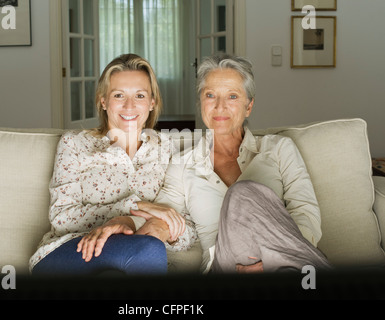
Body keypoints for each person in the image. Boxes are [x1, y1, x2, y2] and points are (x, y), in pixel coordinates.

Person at [133, 53, 332, 274]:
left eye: (232, 96)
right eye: (210, 95)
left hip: (284, 259)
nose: (219, 106)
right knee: (242, 193)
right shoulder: (182, 164)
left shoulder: (279, 149)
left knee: (244, 193)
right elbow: (164, 213)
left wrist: (273, 260)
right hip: (224, 265)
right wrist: (146, 225)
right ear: (201, 103)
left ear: (249, 106)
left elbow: (305, 212)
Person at [29, 53, 193, 275]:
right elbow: (61, 217)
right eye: (118, 95)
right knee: (147, 251)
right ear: (103, 101)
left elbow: (188, 227)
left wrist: (152, 225)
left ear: (152, 102)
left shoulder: (166, 149)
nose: (129, 106)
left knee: (141, 255)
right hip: (70, 251)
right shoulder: (74, 144)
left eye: (140, 96)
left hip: (136, 252)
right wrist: (136, 208)